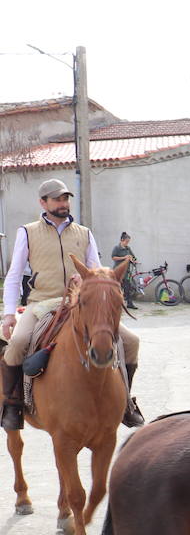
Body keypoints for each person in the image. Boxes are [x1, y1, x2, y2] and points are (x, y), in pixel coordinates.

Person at [2, 179, 144, 431]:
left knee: (131, 342)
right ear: (43, 203)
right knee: (17, 344)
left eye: (66, 198)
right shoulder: (27, 231)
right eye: (57, 199)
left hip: (82, 304)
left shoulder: (84, 232)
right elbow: (14, 275)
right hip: (42, 303)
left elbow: (97, 269)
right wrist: (9, 314)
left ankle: (125, 403)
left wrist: (91, 278)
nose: (63, 203)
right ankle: (13, 405)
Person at [110, 232, 138, 309]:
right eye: (126, 241)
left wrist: (133, 260)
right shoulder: (117, 248)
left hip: (127, 272)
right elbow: (113, 257)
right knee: (117, 288)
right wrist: (124, 258)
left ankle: (129, 304)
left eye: (128, 242)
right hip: (118, 271)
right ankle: (115, 304)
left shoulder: (128, 248)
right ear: (122, 240)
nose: (127, 243)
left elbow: (133, 257)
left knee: (127, 288)